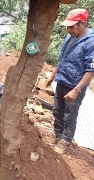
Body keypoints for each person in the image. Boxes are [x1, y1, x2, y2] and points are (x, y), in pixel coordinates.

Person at [45, 8, 94, 154]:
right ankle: (57, 134)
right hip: (62, 80)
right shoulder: (70, 37)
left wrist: (76, 90)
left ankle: (66, 139)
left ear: (81, 24)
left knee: (70, 114)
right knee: (57, 110)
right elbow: (62, 59)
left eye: (71, 26)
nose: (68, 29)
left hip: (75, 85)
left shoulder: (91, 42)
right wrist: (53, 75)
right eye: (67, 26)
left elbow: (90, 71)